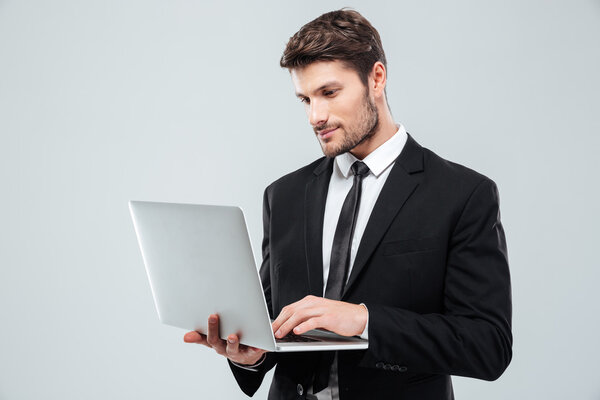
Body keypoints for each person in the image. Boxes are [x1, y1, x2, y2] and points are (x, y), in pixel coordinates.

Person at [184, 9, 512, 400]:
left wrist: (364, 320)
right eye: (305, 98)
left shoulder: (462, 194)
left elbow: (488, 345)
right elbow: (274, 324)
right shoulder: (283, 195)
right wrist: (250, 354)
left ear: (376, 78)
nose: (315, 116)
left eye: (329, 93)